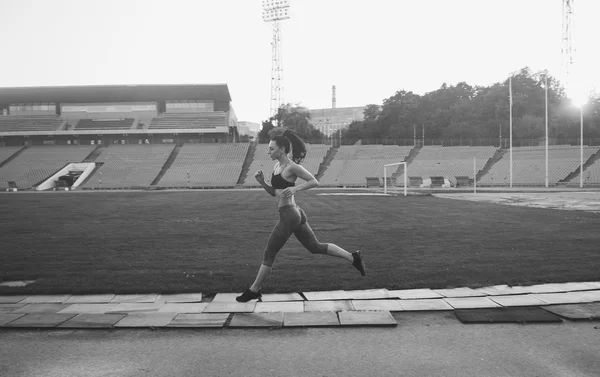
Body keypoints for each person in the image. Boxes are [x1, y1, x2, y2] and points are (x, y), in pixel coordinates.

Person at [236, 129, 366, 303]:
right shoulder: (277, 167)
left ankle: (254, 290)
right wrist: (262, 182)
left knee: (269, 254)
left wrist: (296, 188)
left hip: (289, 215)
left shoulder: (292, 167)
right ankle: (353, 257)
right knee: (315, 247)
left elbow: (314, 181)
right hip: (295, 213)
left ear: (282, 149)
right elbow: (276, 193)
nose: (268, 152)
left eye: (271, 149)